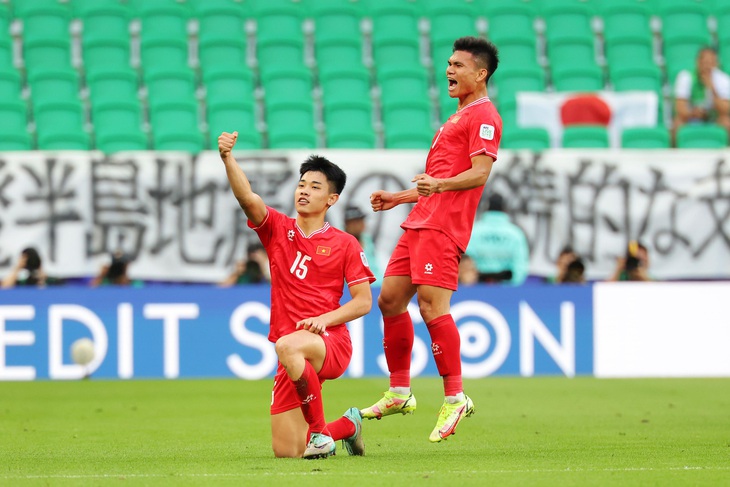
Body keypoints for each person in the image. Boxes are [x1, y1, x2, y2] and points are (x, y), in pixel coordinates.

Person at [362, 36, 501, 443]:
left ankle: (455, 396)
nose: (449, 71)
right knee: (389, 299)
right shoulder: (457, 116)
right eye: (448, 64)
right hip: (421, 220)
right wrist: (399, 198)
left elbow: (478, 174)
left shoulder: (484, 115)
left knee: (431, 306)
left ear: (481, 73)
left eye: (458, 65)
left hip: (443, 227)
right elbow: (436, 182)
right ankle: (401, 391)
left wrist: (435, 186)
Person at [218, 131, 375, 459]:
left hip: (329, 342)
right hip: (292, 352)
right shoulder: (277, 229)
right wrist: (227, 158)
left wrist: (323, 320)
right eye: (302, 184)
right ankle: (349, 425)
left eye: (315, 187)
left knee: (288, 343)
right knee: (287, 451)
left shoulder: (345, 243)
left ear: (331, 199)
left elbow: (363, 301)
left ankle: (319, 434)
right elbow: (247, 198)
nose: (304, 190)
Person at [466, 192, 529, 285]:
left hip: (477, 287)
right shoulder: (516, 233)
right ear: (504, 209)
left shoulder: (474, 231)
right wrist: (513, 288)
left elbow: (466, 262)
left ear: (486, 208)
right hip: (507, 289)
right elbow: (520, 266)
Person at [672, 47, 730, 143]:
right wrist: (693, 114)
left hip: (713, 118)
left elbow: (725, 109)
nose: (707, 67)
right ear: (697, 62)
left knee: (727, 122)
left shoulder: (723, 79)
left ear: (716, 64)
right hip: (691, 118)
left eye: (711, 63)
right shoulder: (686, 76)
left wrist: (711, 88)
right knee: (677, 123)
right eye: (704, 62)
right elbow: (680, 108)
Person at [343, 205, 384, 286]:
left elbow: (375, 268)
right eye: (356, 222)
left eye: (361, 220)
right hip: (356, 288)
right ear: (348, 224)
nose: (361, 225)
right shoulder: (341, 242)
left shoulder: (366, 239)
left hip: (377, 284)